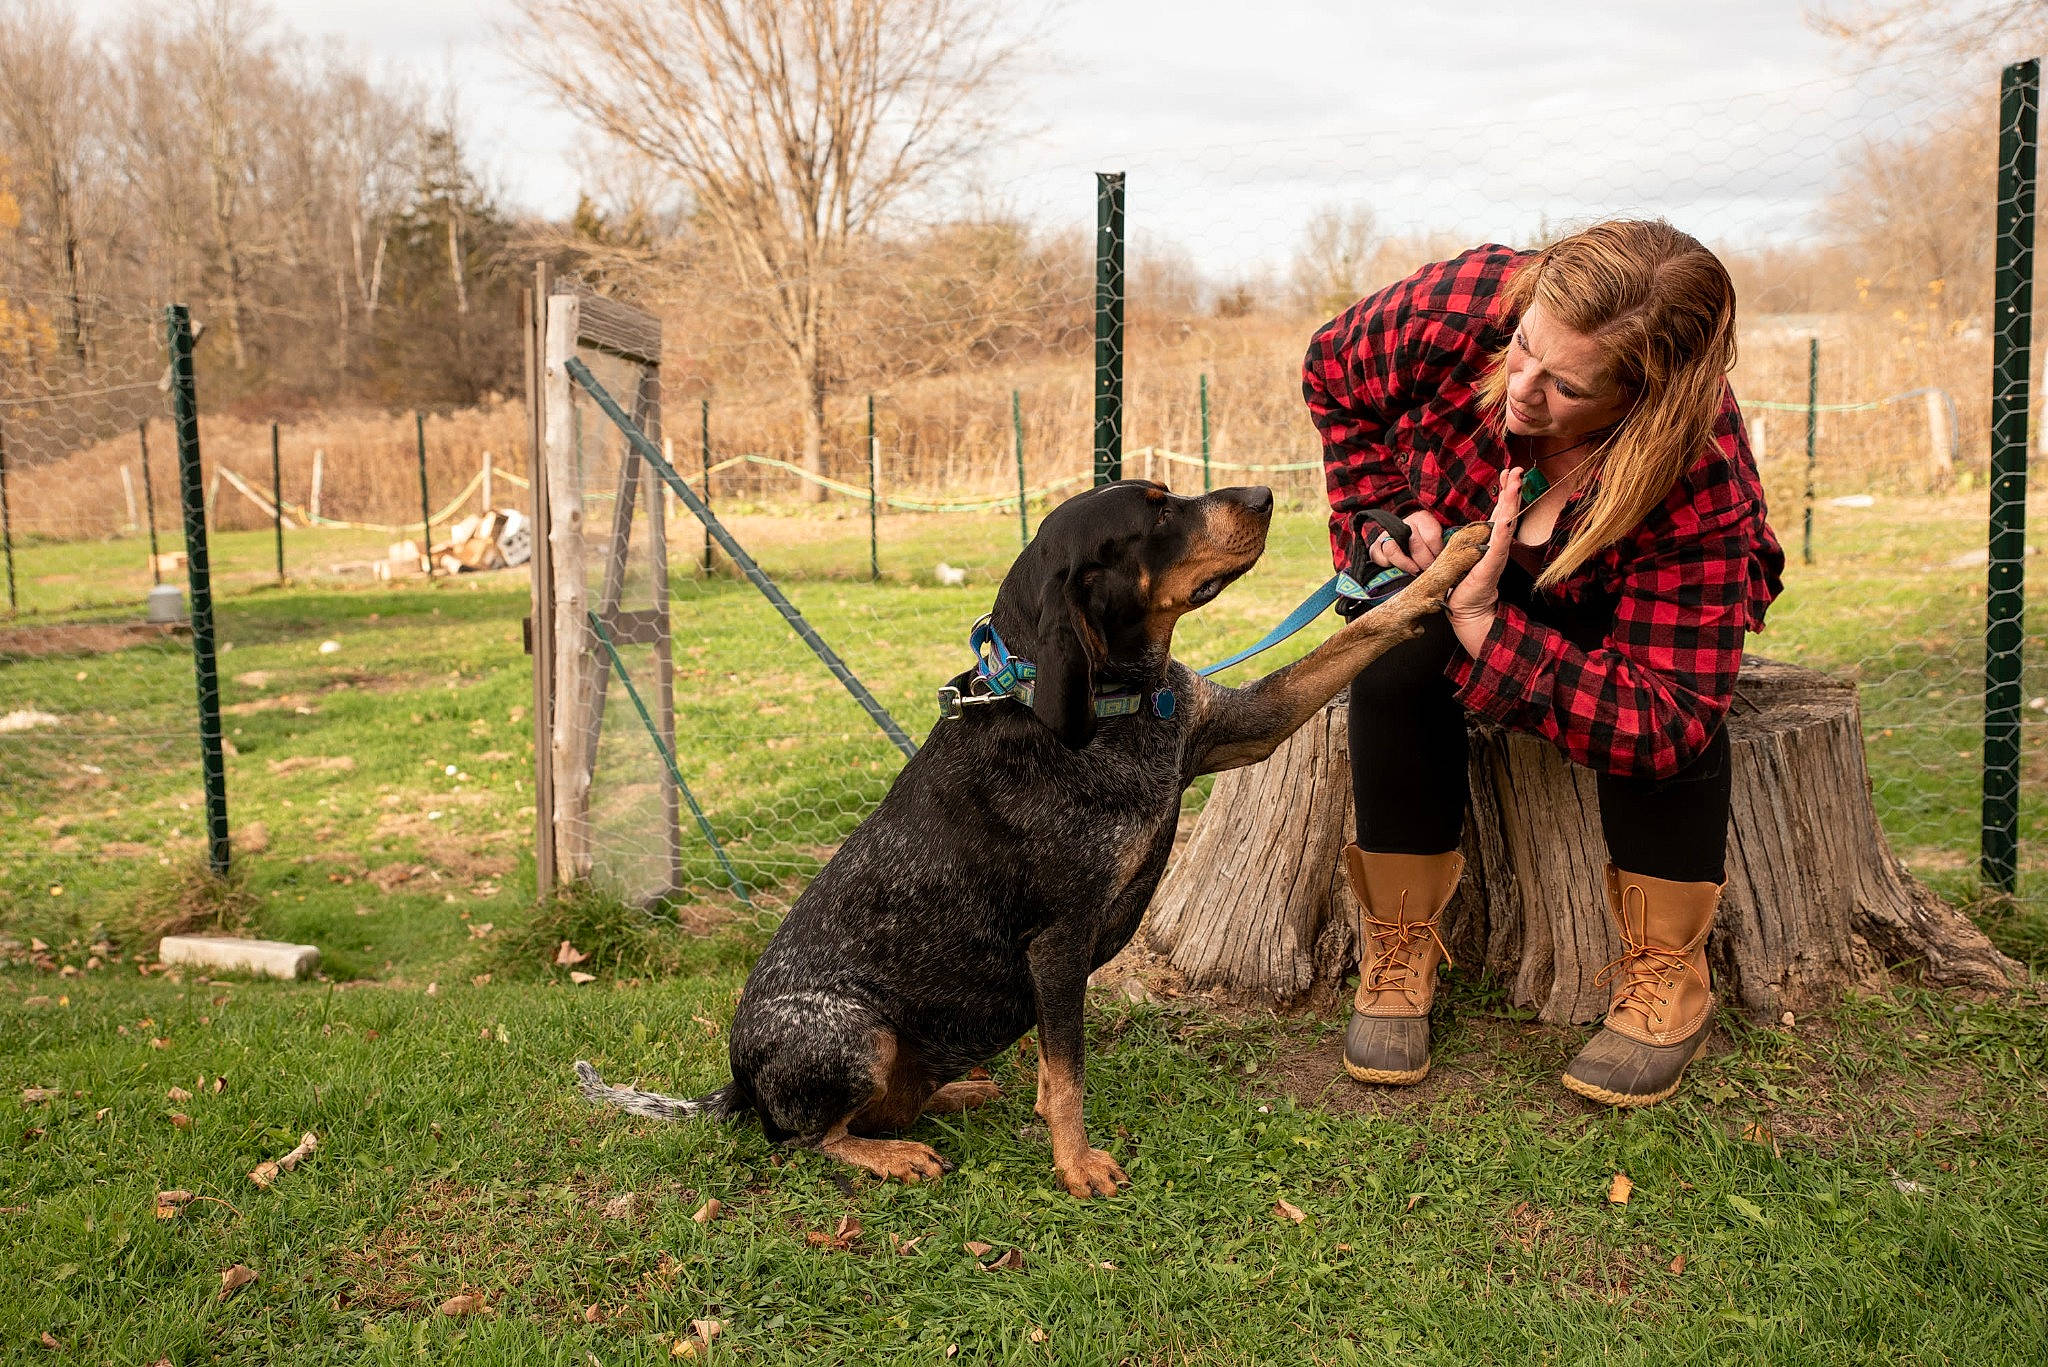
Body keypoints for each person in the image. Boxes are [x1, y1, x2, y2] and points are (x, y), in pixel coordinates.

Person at [1302, 220, 1785, 1107]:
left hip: (1615, 597)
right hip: (1464, 547)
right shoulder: (1463, 306)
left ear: (1645, 396)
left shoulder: (1698, 467)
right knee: (1393, 658)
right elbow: (1332, 368)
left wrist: (1489, 629)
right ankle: (1398, 939)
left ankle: (1668, 971)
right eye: (1525, 349)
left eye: (1567, 386)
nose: (1520, 392)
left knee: (1676, 731)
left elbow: (1665, 714)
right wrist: (1385, 507)